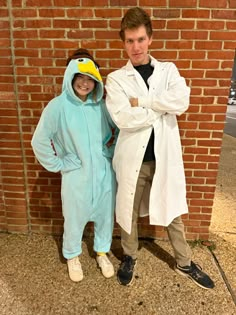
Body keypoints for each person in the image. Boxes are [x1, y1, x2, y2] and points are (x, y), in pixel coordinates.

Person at [105, 7, 215, 289]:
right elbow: (122, 118)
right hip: (134, 160)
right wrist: (159, 108)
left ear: (150, 38)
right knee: (127, 210)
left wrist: (141, 102)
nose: (136, 47)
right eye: (130, 41)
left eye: (140, 39)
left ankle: (185, 262)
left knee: (172, 209)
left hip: (164, 158)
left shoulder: (168, 71)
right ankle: (129, 256)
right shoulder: (116, 79)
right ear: (124, 43)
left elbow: (181, 102)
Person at [31, 48, 118, 282]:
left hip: (103, 173)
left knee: (104, 215)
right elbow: (39, 139)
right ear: (70, 76)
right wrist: (58, 163)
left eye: (90, 79)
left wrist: (109, 151)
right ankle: (72, 255)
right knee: (74, 217)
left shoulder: (101, 105)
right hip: (75, 175)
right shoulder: (58, 106)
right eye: (80, 77)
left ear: (96, 80)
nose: (85, 83)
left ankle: (101, 251)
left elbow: (120, 128)